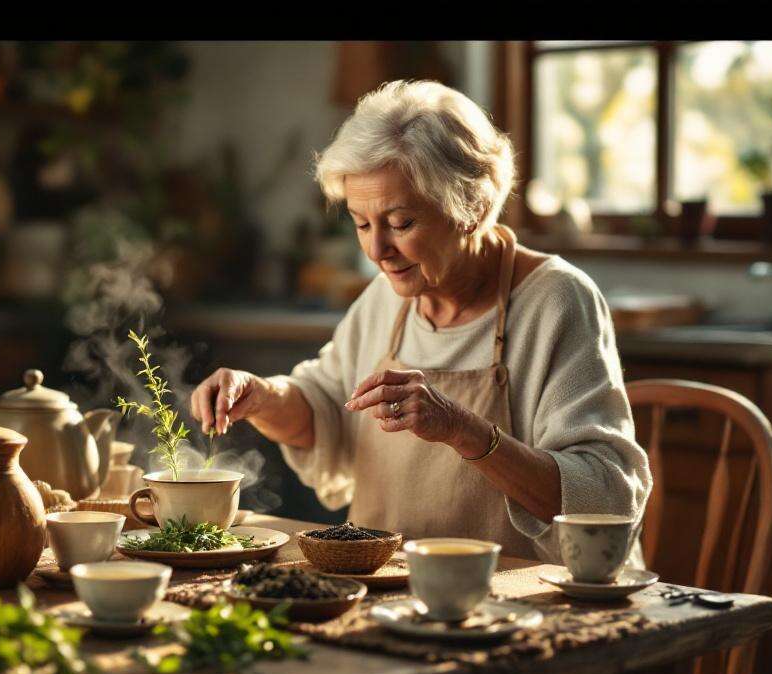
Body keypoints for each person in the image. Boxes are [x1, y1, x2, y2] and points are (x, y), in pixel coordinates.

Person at [189, 80, 651, 561]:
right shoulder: (385, 298)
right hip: (389, 587)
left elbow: (604, 494)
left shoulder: (556, 300)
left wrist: (460, 429)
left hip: (517, 598)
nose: (376, 251)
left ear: (470, 208)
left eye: (400, 223)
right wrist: (262, 397)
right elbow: (324, 414)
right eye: (361, 223)